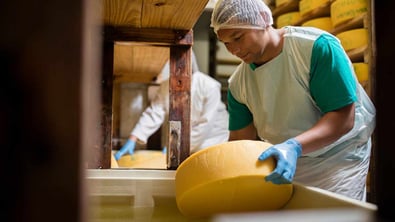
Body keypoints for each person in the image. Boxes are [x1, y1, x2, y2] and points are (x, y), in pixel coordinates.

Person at [210, 0, 376, 201]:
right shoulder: (238, 84)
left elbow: (342, 118)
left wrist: (294, 147)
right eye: (226, 43)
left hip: (339, 160)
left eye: (238, 37)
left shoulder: (315, 48)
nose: (234, 50)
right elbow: (240, 141)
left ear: (263, 20)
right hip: (288, 162)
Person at [114, 52, 229, 160]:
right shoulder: (166, 86)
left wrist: (177, 146)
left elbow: (205, 125)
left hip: (213, 141)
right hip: (187, 143)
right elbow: (154, 113)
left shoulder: (209, 86)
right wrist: (133, 138)